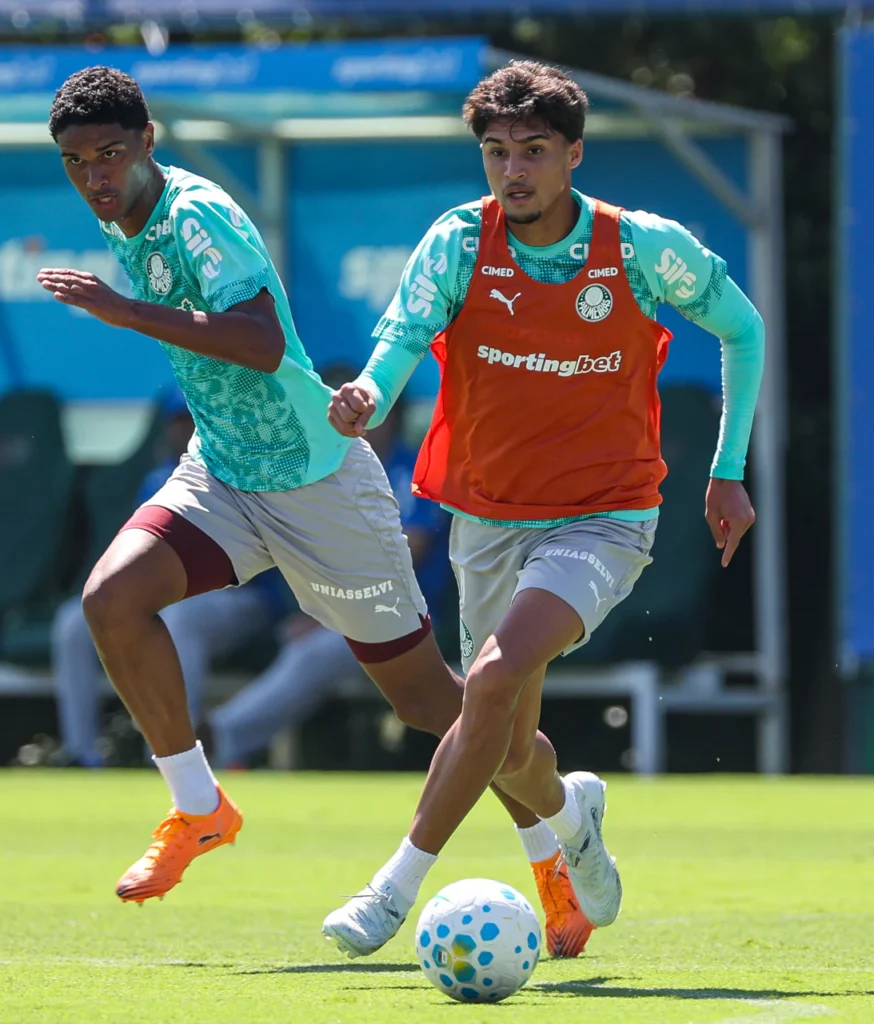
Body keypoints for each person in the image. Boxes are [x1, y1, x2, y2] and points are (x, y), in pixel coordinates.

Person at [39, 65, 591, 958]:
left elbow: (261, 343)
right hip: (222, 471)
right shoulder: (122, 215)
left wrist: (125, 312)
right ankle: (198, 807)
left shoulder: (197, 215)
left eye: (109, 154)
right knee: (110, 599)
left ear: (147, 142)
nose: (95, 176)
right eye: (76, 162)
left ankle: (555, 836)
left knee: (436, 707)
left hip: (318, 482)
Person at [324, 60, 765, 956]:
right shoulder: (458, 242)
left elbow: (744, 328)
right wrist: (369, 392)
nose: (513, 169)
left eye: (533, 150)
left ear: (573, 155)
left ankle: (391, 890)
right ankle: (574, 817)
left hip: (605, 517)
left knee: (488, 682)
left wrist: (727, 470)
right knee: (506, 745)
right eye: (496, 151)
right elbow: (401, 338)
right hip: (486, 518)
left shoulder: (640, 248)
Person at [201, 393, 451, 770]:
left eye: (368, 415)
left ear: (392, 417)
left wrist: (330, 616)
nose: (358, 423)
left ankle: (220, 737)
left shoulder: (412, 467)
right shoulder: (330, 470)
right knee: (299, 640)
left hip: (409, 611)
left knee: (315, 650)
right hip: (351, 608)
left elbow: (407, 552)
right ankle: (228, 744)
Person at [52, 388, 287, 767]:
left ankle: (175, 756)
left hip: (241, 595)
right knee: (72, 622)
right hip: (172, 594)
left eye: (192, 420)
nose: (184, 429)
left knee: (180, 620)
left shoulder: (249, 470)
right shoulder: (158, 478)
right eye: (178, 421)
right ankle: (82, 754)